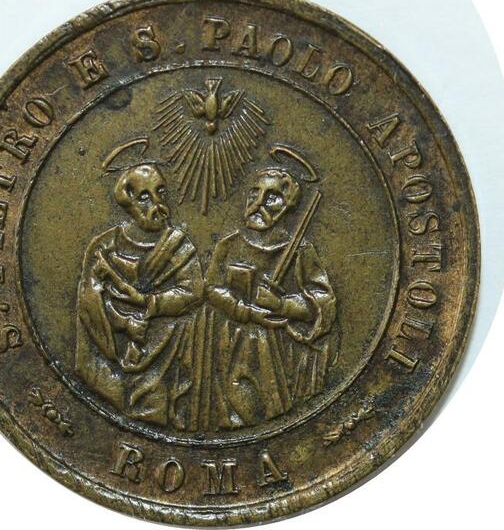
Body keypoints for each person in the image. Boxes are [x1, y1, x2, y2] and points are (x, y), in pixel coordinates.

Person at [204, 168, 337, 429]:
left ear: (288, 207)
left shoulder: (299, 251)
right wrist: (243, 310)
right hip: (229, 344)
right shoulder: (228, 245)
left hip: (277, 351)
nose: (258, 203)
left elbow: (325, 302)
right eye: (254, 193)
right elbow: (210, 288)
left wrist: (282, 305)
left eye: (272, 197)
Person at [75, 162, 203, 429]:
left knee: (155, 406)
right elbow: (90, 303)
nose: (157, 204)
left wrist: (149, 303)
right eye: (145, 197)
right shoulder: (104, 246)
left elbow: (192, 292)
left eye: (160, 192)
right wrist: (123, 323)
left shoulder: (178, 246)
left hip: (165, 352)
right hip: (115, 353)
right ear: (128, 201)